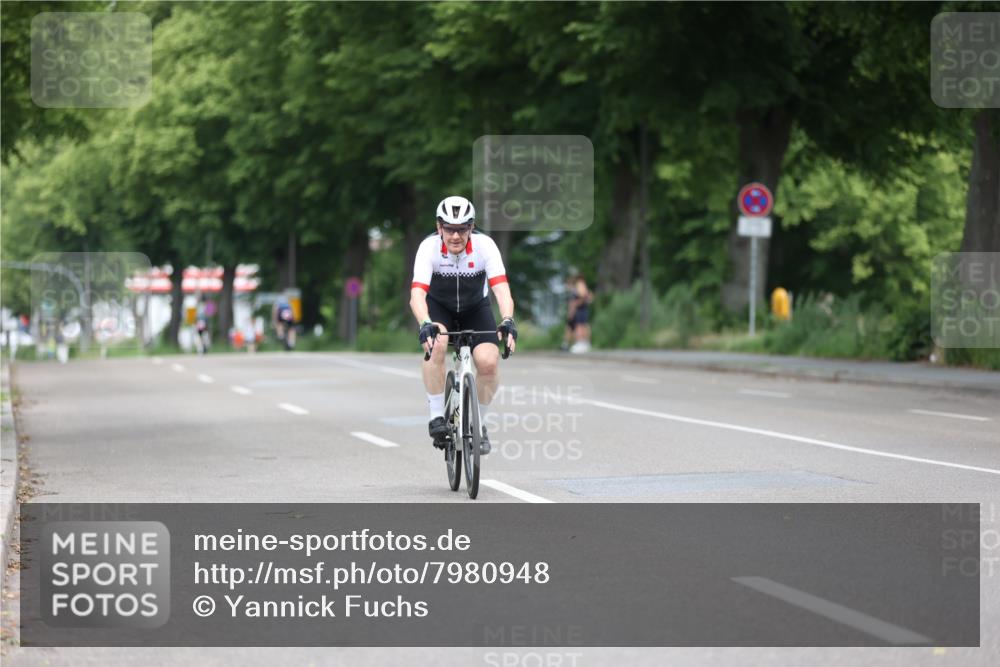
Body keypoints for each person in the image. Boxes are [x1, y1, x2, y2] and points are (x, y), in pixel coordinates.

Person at [410, 195, 517, 455]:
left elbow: (501, 290)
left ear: (471, 228)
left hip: (475, 309)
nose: (455, 236)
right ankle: (437, 416)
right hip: (439, 308)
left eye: (462, 229)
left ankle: (479, 425)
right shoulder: (428, 248)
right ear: (439, 228)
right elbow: (417, 295)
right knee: (437, 344)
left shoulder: (485, 246)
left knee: (489, 363)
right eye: (449, 229)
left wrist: (507, 320)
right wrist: (425, 323)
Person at [568, 274, 592, 353]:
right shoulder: (582, 285)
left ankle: (581, 343)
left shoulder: (580, 284)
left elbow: (584, 297)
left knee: (580, 326)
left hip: (580, 309)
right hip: (582, 309)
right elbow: (589, 297)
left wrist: (576, 303)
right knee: (582, 325)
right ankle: (584, 343)